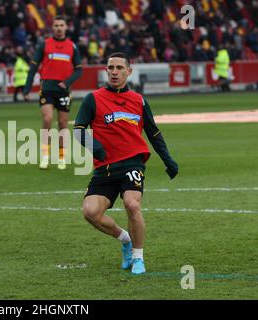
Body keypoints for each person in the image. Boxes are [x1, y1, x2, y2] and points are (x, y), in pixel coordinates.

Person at [73, 52, 179, 275]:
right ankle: (125, 240)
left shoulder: (139, 100)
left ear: (129, 72)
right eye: (110, 68)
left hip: (132, 163)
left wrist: (167, 159)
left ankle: (138, 258)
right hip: (105, 167)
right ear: (106, 71)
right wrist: (96, 148)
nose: (114, 72)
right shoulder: (93, 99)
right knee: (90, 212)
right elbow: (78, 130)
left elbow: (154, 132)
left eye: (120, 68)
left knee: (132, 204)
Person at [23, 15, 83, 170]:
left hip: (63, 91)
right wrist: (27, 88)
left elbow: (79, 70)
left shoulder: (72, 46)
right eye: (56, 25)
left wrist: (67, 82)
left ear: (66, 27)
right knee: (48, 119)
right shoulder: (44, 44)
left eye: (61, 25)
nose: (58, 28)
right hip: (47, 89)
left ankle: (62, 157)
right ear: (52, 27)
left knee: (63, 123)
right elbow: (33, 67)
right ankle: (45, 155)